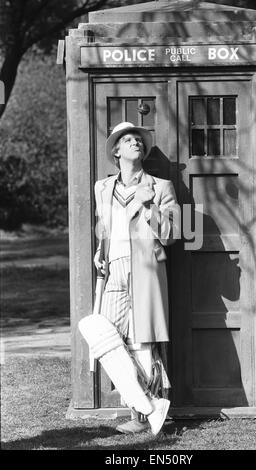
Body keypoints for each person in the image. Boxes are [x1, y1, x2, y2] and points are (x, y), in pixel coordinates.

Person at [79, 121, 180, 435]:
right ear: (116, 151)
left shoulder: (161, 186)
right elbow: (104, 226)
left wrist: (150, 204)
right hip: (113, 269)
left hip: (146, 269)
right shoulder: (102, 187)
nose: (135, 142)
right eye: (128, 139)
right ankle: (151, 405)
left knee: (141, 341)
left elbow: (176, 234)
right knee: (104, 336)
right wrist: (100, 249)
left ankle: (141, 414)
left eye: (139, 139)